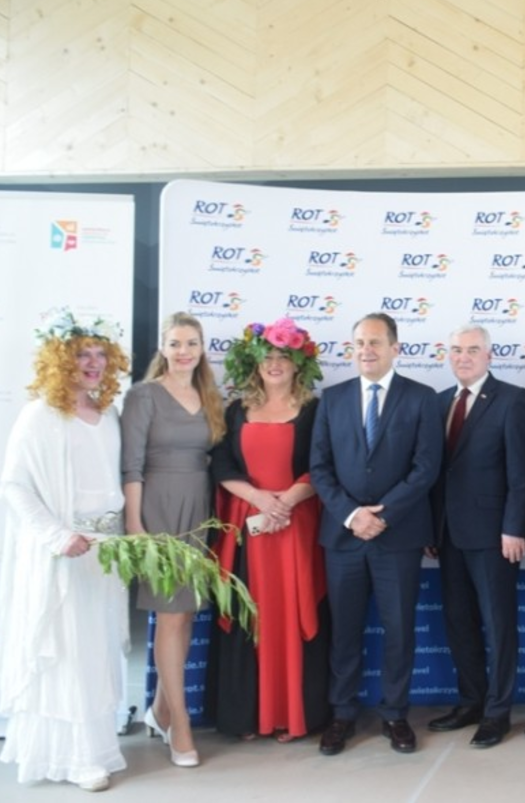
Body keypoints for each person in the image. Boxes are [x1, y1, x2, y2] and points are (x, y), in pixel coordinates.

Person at [0, 309, 130, 792]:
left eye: (99, 354)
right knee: (67, 650)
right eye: (81, 355)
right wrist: (57, 536)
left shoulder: (108, 413)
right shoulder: (40, 415)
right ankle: (73, 759)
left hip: (105, 551)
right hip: (64, 552)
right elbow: (14, 486)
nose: (93, 363)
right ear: (59, 360)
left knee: (96, 650)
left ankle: (94, 748)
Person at [310, 313, 442, 756]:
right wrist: (352, 515)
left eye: (375, 342)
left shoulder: (421, 398)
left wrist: (383, 515)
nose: (366, 350)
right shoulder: (332, 399)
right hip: (343, 537)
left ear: (395, 348)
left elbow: (426, 467)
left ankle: (395, 714)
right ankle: (342, 714)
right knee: (344, 630)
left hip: (397, 536)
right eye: (359, 343)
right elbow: (320, 468)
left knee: (399, 629)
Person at [208, 318, 329, 743]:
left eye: (283, 357)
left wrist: (286, 502)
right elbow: (222, 465)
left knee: (293, 614)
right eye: (267, 358)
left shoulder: (316, 410)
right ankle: (249, 715)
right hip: (249, 530)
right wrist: (260, 499)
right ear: (255, 364)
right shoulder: (235, 410)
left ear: (298, 364)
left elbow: (322, 465)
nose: (275, 364)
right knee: (250, 615)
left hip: (296, 528)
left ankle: (292, 716)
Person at [122, 310, 225, 769]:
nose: (184, 352)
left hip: (199, 510)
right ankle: (179, 723)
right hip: (158, 509)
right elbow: (131, 466)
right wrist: (135, 524)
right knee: (169, 616)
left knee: (184, 615)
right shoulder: (143, 396)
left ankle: (161, 710)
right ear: (162, 348)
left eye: (191, 344)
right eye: (176, 343)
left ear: (202, 349)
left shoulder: (209, 395)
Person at [427, 324, 525, 748]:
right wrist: (430, 527)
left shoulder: (512, 399)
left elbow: (522, 472)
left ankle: (497, 711)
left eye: (472, 350)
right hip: (447, 533)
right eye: (456, 350)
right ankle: (471, 701)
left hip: (494, 535)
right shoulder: (439, 402)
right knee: (459, 622)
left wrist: (515, 527)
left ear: (489, 355)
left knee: (498, 624)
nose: (463, 357)